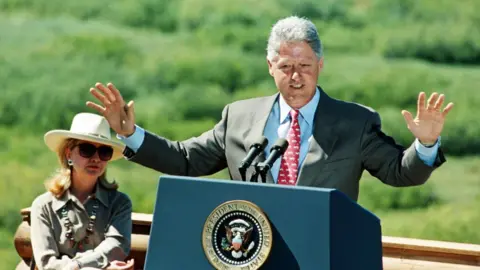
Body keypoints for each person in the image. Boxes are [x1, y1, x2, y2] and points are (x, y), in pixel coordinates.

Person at [86, 16, 453, 202]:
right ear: (269, 66)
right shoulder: (239, 117)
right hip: (249, 252)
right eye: (286, 67)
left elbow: (399, 174)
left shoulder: (355, 122)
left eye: (305, 66)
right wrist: (129, 134)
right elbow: (185, 160)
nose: (296, 77)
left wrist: (424, 146)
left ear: (321, 65)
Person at [30, 112, 135, 270]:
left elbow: (116, 248)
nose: (96, 158)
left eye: (104, 152)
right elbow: (47, 263)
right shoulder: (43, 206)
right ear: (68, 153)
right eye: (87, 149)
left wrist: (77, 265)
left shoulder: (120, 203)